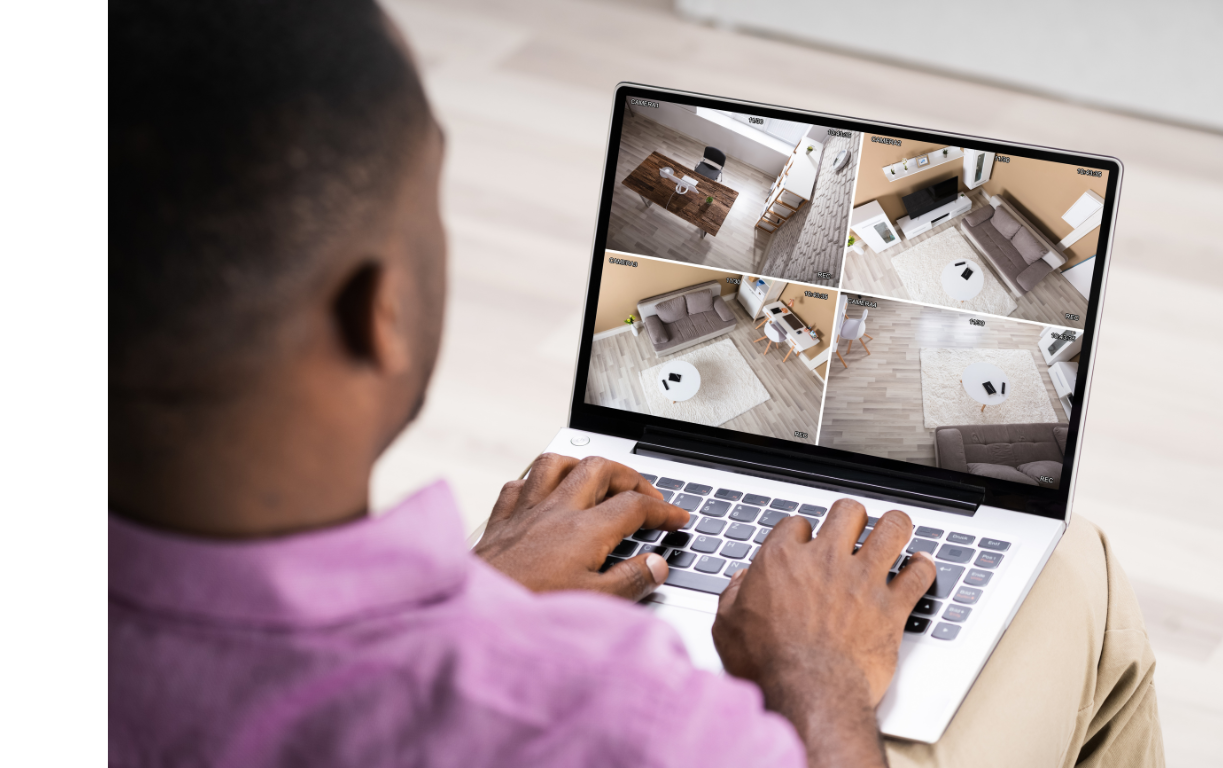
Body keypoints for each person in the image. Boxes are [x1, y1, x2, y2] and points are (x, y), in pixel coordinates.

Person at [109, 2, 1164, 766]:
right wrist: (818, 683)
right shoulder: (614, 722)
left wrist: (477, 596)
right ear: (377, 312)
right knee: (1077, 570)